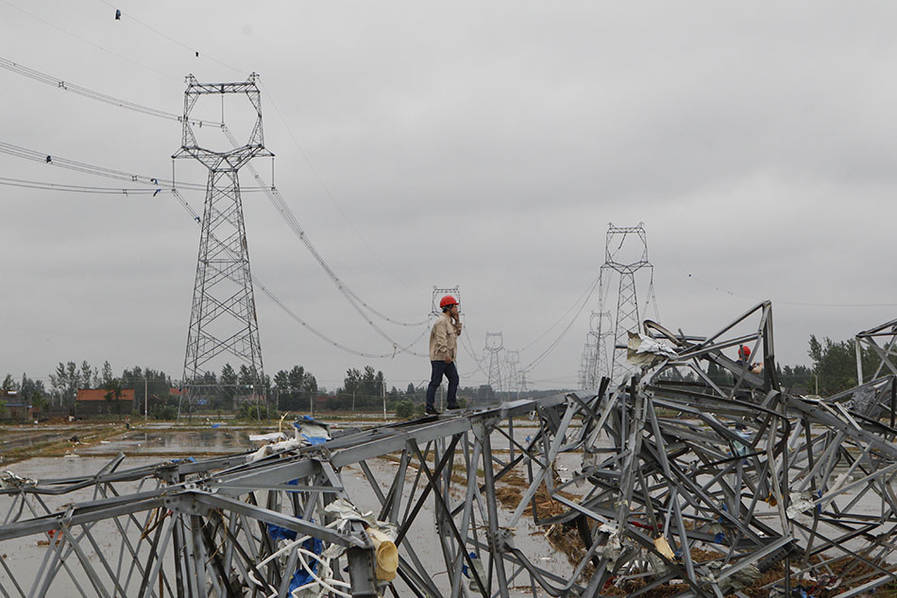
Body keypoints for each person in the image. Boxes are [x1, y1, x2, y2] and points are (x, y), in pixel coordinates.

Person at [426, 295, 462, 414]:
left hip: (447, 358)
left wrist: (457, 321)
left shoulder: (449, 322)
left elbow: (458, 333)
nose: (457, 309)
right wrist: (445, 353)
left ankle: (451, 404)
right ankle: (429, 408)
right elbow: (441, 339)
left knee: (454, 379)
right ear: (449, 308)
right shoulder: (441, 321)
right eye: (455, 307)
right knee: (435, 381)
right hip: (440, 357)